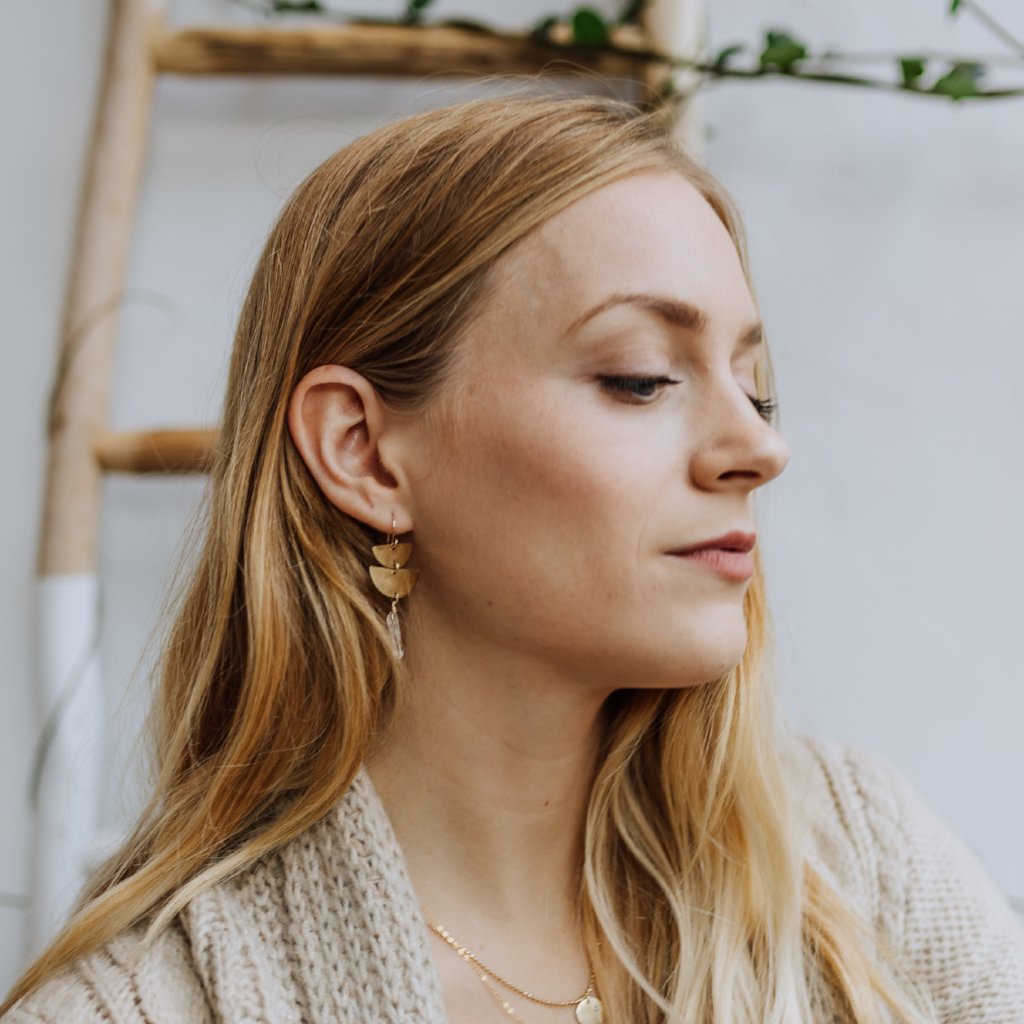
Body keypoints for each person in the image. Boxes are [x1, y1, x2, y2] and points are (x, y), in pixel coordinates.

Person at [3, 94, 1023, 1024]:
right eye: (640, 378)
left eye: (754, 388)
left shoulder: (861, 866)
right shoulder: (140, 1009)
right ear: (362, 451)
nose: (759, 447)